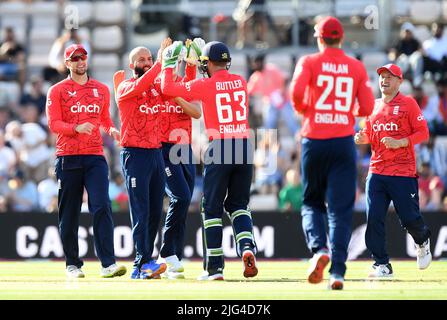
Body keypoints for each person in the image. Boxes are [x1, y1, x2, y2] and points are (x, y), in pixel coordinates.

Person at [289, 16, 375, 290]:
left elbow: (296, 93)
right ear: (342, 38)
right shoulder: (356, 66)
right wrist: (348, 111)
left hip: (314, 140)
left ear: (319, 37)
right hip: (342, 141)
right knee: (339, 211)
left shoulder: (310, 62)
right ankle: (337, 272)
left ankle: (318, 249)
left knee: (311, 203)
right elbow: (368, 105)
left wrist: (306, 110)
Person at [161, 40, 258, 280]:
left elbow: (167, 88)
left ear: (208, 63)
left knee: (211, 208)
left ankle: (214, 268)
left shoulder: (205, 84)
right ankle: (247, 248)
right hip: (245, 146)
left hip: (220, 145)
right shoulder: (241, 82)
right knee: (238, 205)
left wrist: (168, 61)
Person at [46, 43, 126, 279]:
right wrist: (75, 128)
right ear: (67, 63)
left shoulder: (101, 89)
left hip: (94, 156)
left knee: (102, 205)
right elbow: (54, 124)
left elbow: (104, 120)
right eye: (76, 58)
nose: (81, 61)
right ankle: (73, 264)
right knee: (69, 212)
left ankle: (108, 264)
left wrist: (112, 131)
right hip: (67, 157)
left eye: (84, 57)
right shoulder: (57, 90)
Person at [354, 63, 432, 278]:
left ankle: (422, 240)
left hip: (403, 173)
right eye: (382, 76)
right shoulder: (373, 106)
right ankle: (382, 265)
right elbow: (370, 134)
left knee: (408, 218)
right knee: (373, 219)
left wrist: (401, 142)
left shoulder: (408, 103)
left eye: (390, 76)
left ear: (400, 81)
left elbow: (423, 132)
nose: (384, 80)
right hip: (377, 171)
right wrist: (362, 138)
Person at [115, 38, 171, 280]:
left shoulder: (155, 87)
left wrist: (184, 62)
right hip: (135, 155)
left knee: (155, 211)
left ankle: (146, 262)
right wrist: (161, 61)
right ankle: (142, 262)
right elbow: (145, 82)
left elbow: (173, 86)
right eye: (142, 60)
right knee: (141, 211)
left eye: (149, 59)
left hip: (156, 153)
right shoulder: (125, 87)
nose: (147, 63)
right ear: (132, 65)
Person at [154, 38, 203, 279]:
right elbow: (160, 84)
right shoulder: (158, 84)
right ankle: (165, 253)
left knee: (183, 203)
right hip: (164, 149)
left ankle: (173, 258)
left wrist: (177, 97)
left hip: (185, 149)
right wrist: (162, 58)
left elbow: (196, 112)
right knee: (181, 197)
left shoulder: (182, 85)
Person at [247, 54, 299, 136]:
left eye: (257, 63)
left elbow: (285, 79)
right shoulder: (255, 77)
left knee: (292, 123)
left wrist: (281, 91)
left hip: (283, 100)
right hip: (270, 102)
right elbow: (249, 91)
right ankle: (270, 146)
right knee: (269, 124)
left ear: (261, 62)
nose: (255, 65)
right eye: (255, 63)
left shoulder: (271, 69)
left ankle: (299, 142)